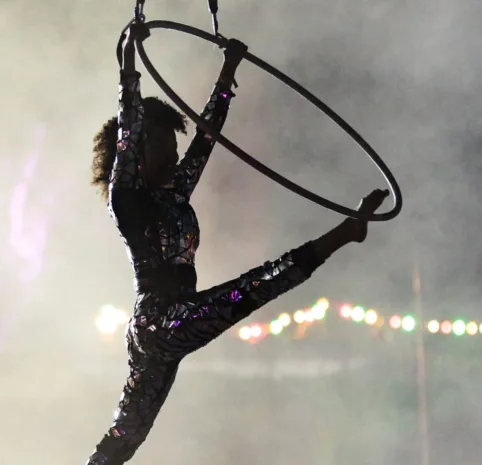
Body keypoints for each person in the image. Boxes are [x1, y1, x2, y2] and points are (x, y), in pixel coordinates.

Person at [86, 20, 390, 465]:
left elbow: (207, 139)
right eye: (166, 146)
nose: (175, 155)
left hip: (163, 330)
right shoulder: (127, 198)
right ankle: (348, 231)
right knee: (257, 286)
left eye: (174, 146)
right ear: (139, 152)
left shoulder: (172, 194)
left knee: (126, 436)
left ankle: (350, 229)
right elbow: (130, 124)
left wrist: (228, 71)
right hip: (160, 323)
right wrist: (129, 61)